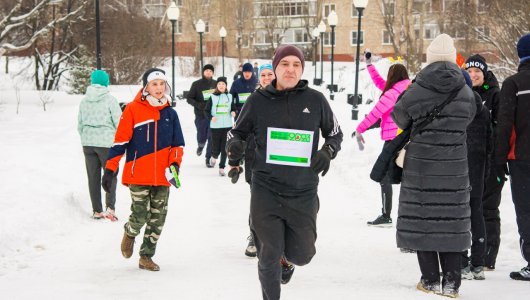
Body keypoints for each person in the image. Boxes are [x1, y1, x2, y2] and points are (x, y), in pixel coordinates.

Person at [226, 45, 343, 300]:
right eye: (285, 64)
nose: (290, 69)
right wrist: (234, 146)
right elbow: (236, 132)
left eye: (296, 65)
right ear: (275, 67)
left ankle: (287, 260)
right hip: (265, 187)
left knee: (303, 254)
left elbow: (335, 133)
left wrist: (327, 152)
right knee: (267, 254)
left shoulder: (316, 99)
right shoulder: (257, 100)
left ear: (302, 69)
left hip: (303, 189)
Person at [391, 34, 476, 297]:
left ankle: (429, 280)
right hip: (454, 167)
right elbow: (471, 117)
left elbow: (399, 117)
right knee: (451, 219)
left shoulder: (417, 89)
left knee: (423, 218)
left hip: (421, 168)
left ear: (429, 59)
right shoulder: (465, 91)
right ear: (453, 59)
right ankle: (451, 284)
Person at [102, 68, 185, 272]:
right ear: (146, 87)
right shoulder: (132, 109)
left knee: (158, 218)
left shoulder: (171, 114)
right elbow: (120, 141)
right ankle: (130, 233)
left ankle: (146, 256)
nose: (158, 88)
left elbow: (178, 144)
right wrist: (110, 169)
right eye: (154, 84)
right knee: (140, 214)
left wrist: (174, 164)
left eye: (161, 84)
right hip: (138, 173)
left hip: (163, 176)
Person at [353, 50, 410, 227]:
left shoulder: (391, 94)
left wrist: (359, 128)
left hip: (394, 140)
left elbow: (375, 113)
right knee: (408, 178)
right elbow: (379, 82)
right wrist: (369, 65)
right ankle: (408, 217)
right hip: (409, 137)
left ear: (392, 76)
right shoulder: (409, 88)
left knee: (384, 175)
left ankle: (386, 215)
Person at [495, 33, 530, 281]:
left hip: (522, 158)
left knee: (527, 210)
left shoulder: (514, 84)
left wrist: (498, 161)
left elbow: (504, 126)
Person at [464, 54, 504, 271]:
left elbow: (501, 127)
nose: (473, 75)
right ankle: (472, 254)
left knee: (488, 208)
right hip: (469, 162)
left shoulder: (495, 94)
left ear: (484, 72)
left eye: (477, 72)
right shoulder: (464, 94)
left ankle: (488, 256)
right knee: (471, 208)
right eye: (469, 72)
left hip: (491, 161)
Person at [77, 70, 121, 220]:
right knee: (111, 174)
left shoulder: (84, 101)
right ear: (106, 82)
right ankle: (110, 208)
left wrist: (86, 137)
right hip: (106, 143)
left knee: (93, 176)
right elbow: (119, 123)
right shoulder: (110, 100)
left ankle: (97, 210)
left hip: (88, 144)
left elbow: (80, 124)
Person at [460, 69, 491, 280]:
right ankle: (479, 262)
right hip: (478, 165)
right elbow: (490, 142)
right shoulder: (481, 107)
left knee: (460, 213)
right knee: (476, 211)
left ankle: (461, 261)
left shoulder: (457, 105)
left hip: (459, 165)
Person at [242, 63, 275, 258]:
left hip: (281, 160)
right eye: (263, 75)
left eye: (270, 74)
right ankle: (254, 237)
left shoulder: (286, 98)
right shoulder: (253, 100)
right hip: (256, 158)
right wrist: (235, 158)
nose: (266, 78)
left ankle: (277, 239)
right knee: (258, 201)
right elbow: (240, 130)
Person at [205, 76, 236, 176]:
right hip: (215, 126)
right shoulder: (212, 97)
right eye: (219, 84)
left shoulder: (230, 96)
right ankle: (214, 157)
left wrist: (233, 112)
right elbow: (206, 110)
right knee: (216, 149)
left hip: (227, 126)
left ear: (226, 86)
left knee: (225, 148)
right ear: (217, 86)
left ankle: (222, 167)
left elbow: (233, 108)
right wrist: (211, 117)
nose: (221, 86)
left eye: (223, 84)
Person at [187, 64, 216, 167]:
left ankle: (208, 158)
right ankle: (200, 145)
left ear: (213, 73)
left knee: (211, 136)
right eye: (206, 70)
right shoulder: (196, 84)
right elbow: (189, 98)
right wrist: (198, 105)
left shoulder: (216, 84)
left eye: (210, 71)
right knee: (202, 134)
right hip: (201, 115)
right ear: (203, 72)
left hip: (213, 116)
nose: (208, 72)